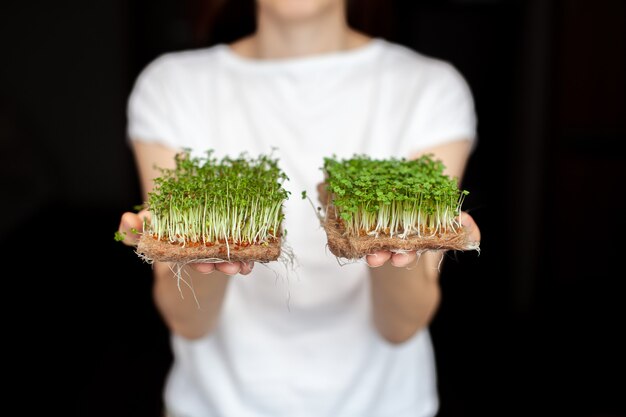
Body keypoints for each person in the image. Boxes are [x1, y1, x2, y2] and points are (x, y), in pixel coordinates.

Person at [117, 0, 481, 416]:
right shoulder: (171, 84)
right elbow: (188, 323)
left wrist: (401, 242)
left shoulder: (430, 87)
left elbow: (399, 327)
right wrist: (198, 246)